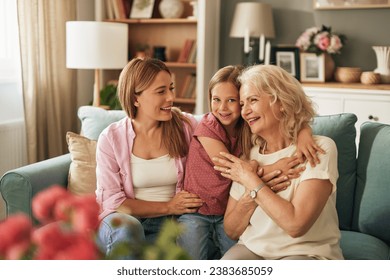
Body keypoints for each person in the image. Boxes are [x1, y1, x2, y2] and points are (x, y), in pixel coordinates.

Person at [177, 65, 324, 260]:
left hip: (223, 212)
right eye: (216, 100)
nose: (223, 108)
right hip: (197, 209)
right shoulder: (208, 126)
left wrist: (304, 132)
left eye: (232, 101)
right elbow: (230, 167)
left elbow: (291, 115)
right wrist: (274, 168)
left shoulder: (249, 128)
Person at [213, 64, 344, 260]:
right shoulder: (248, 157)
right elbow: (231, 230)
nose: (245, 111)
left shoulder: (319, 149)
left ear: (281, 101)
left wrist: (252, 181)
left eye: (253, 101)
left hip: (305, 253)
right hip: (252, 250)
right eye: (242, 104)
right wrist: (252, 194)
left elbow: (295, 225)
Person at [95, 58, 203, 259]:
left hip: (169, 222)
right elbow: (113, 202)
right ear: (136, 98)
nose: (171, 97)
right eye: (161, 91)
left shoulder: (185, 127)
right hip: (123, 221)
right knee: (128, 229)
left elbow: (217, 133)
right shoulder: (110, 138)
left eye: (171, 88)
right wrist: (169, 206)